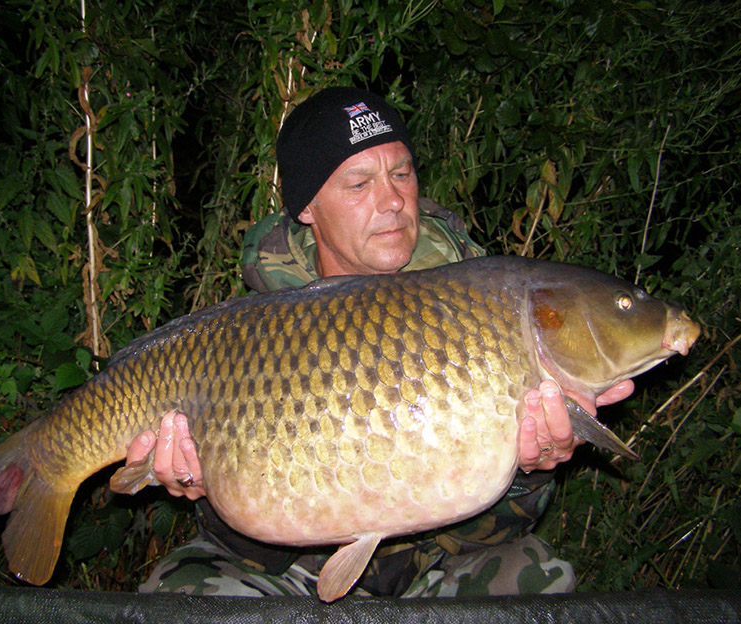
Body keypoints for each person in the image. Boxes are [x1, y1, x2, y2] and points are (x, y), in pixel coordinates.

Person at [124, 87, 634, 597]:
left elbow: (497, 533)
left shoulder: (486, 311)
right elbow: (253, 545)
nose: (392, 201)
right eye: (359, 183)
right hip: (294, 566)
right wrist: (204, 487)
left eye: (402, 174)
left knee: (535, 577)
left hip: (437, 561)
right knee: (182, 592)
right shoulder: (251, 336)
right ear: (307, 207)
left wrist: (529, 471)